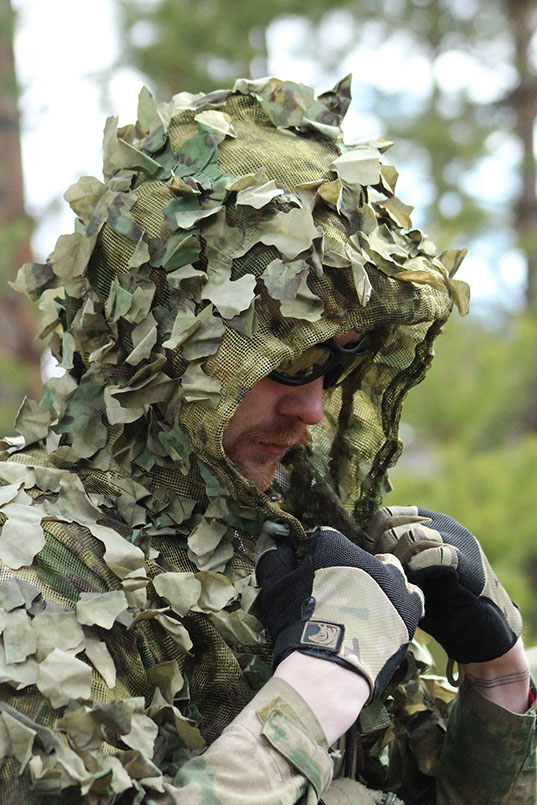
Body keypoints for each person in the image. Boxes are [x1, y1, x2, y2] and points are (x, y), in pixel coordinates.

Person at [0, 75, 534, 803]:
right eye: (288, 361)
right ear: (171, 353)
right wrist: (319, 688)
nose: (313, 408)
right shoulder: (29, 564)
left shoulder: (293, 531)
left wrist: (497, 677)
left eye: (341, 360)